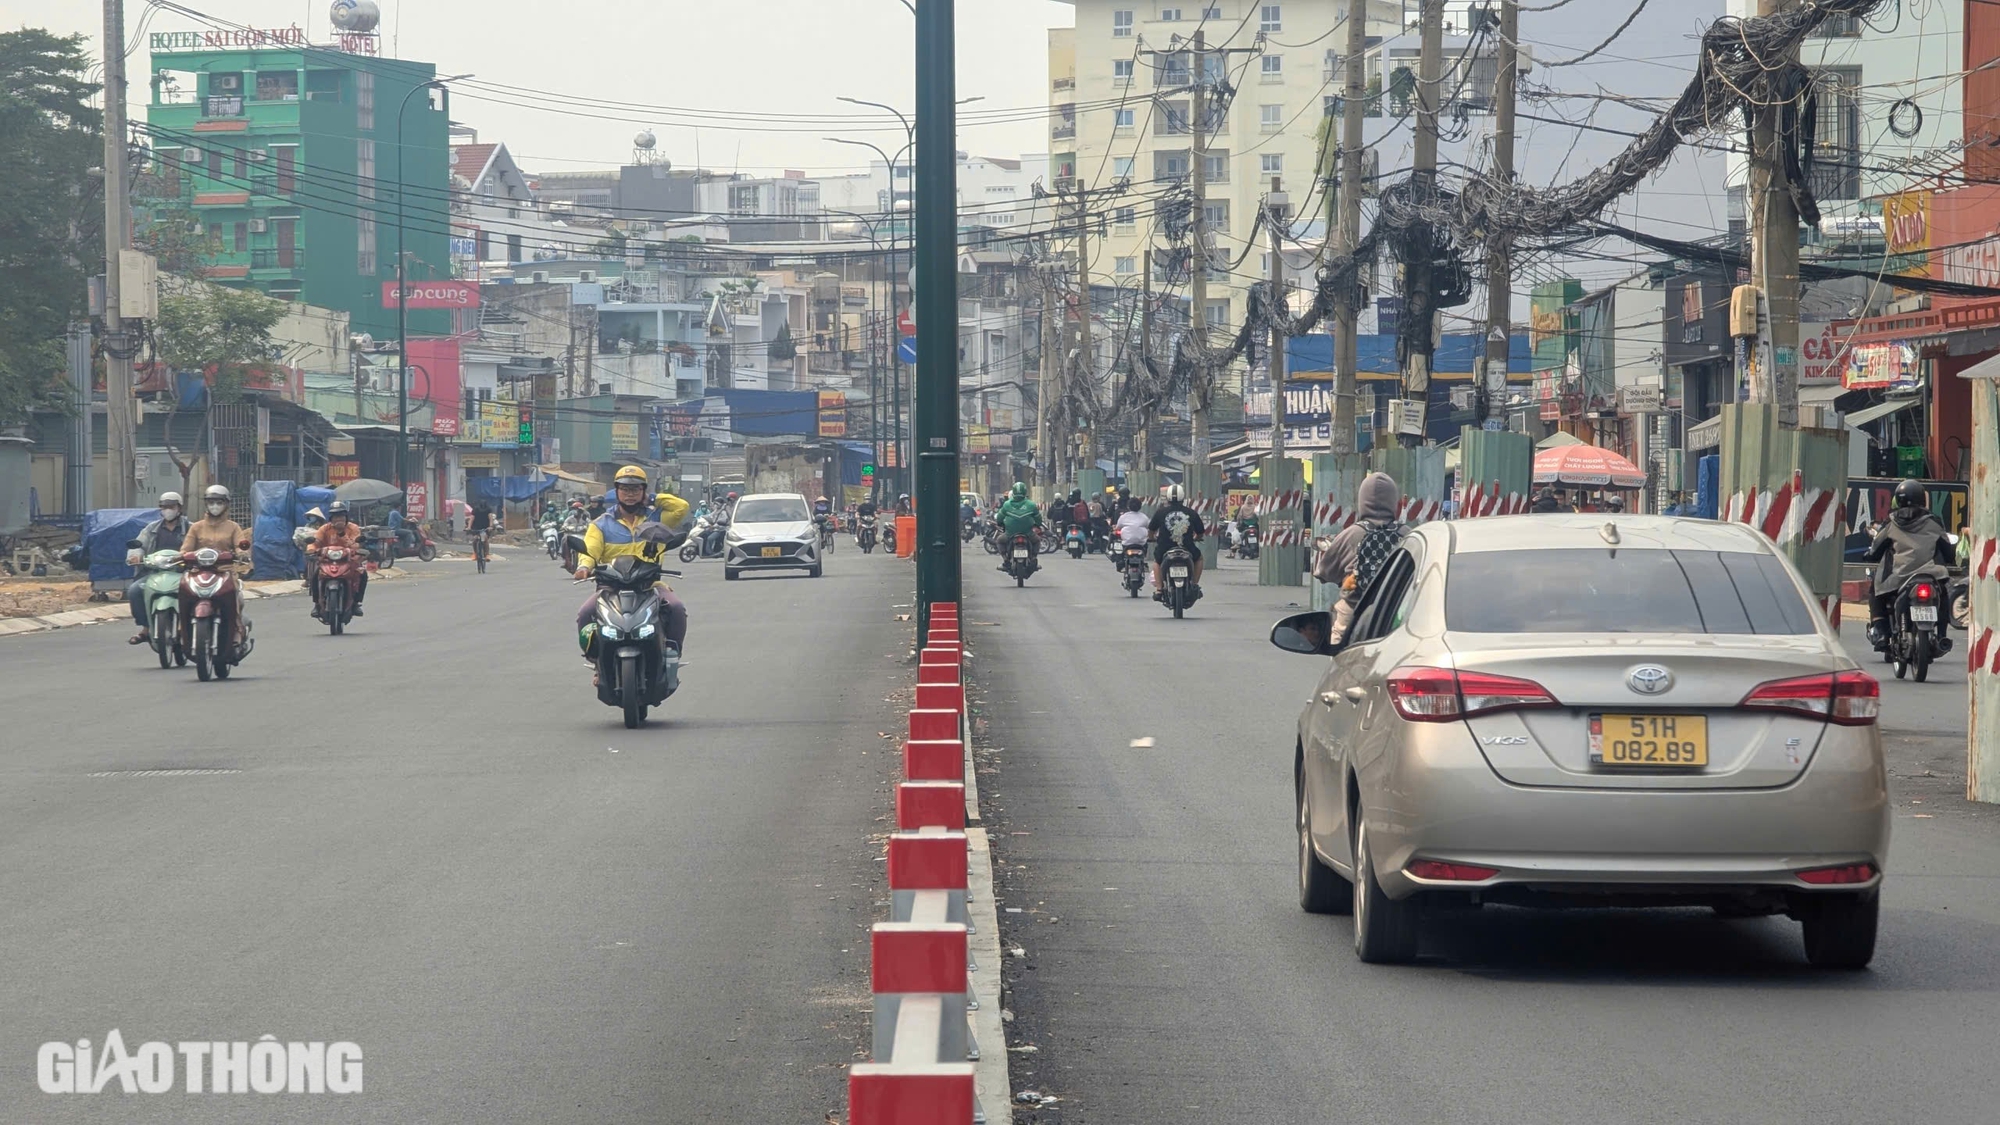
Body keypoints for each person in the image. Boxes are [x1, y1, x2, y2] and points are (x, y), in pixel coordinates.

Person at [575, 466, 692, 679]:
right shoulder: (601, 524)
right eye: (625, 489)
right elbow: (590, 549)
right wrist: (584, 567)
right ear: (617, 491)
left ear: (643, 491)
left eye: (636, 489)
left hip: (649, 586)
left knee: (676, 608)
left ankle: (672, 653)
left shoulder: (656, 518)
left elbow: (681, 507)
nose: (630, 494)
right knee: (584, 614)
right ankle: (597, 664)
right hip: (610, 588)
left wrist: (654, 498)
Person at [1864, 478, 1955, 651]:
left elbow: (1875, 549)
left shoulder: (1891, 523)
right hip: (1932, 575)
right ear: (1922, 498)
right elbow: (1948, 552)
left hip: (1898, 577)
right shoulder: (1934, 522)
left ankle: (1882, 632)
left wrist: (1868, 555)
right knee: (1943, 596)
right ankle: (1942, 634)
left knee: (1876, 593)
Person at [1313, 473, 1403, 645]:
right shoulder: (1407, 534)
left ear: (1361, 502)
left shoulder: (1350, 534)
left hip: (1354, 611)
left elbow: (1324, 573)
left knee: (1339, 649)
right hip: (1397, 613)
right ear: (1395, 503)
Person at [177, 484, 252, 649]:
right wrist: (182, 556)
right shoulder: (196, 527)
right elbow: (185, 549)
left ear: (226, 504)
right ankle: (182, 629)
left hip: (225, 573)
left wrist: (241, 553)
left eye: (219, 502)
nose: (215, 506)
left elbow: (240, 546)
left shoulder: (233, 527)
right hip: (198, 572)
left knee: (236, 597)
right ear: (206, 504)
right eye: (211, 502)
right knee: (183, 592)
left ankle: (236, 630)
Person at [126, 491, 192, 645]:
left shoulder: (191, 528)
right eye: (164, 507)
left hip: (184, 573)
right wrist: (135, 556)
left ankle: (191, 625)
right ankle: (146, 629)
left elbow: (201, 545)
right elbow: (139, 544)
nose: (167, 510)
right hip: (154, 573)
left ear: (179, 508)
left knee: (197, 592)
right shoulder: (151, 528)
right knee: (135, 590)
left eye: (171, 506)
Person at [306, 500, 369, 618]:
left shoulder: (353, 528)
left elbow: (356, 545)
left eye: (341, 516)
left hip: (348, 560)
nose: (338, 519)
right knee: (315, 575)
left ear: (346, 517)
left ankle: (356, 603)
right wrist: (311, 549)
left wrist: (342, 534)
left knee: (362, 575)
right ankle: (316, 604)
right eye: (335, 516)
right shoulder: (324, 529)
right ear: (331, 518)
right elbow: (316, 542)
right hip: (327, 560)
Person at [1147, 483, 1208, 599]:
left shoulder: (1160, 512)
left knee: (1157, 562)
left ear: (1168, 498)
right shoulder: (1191, 513)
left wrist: (1151, 538)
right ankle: (1194, 585)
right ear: (1182, 497)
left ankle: (1159, 589)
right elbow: (1200, 532)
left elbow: (1151, 530)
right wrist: (1197, 538)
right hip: (1186, 546)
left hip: (1165, 547)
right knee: (1199, 558)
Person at [994, 482, 1043, 571]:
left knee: (999, 540)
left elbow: (1000, 517)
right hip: (1027, 533)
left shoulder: (1007, 504)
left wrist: (1000, 523)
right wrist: (1037, 525)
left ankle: (1005, 560)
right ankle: (1033, 558)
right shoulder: (1031, 505)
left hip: (1010, 533)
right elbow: (1038, 518)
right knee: (1037, 540)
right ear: (1025, 492)